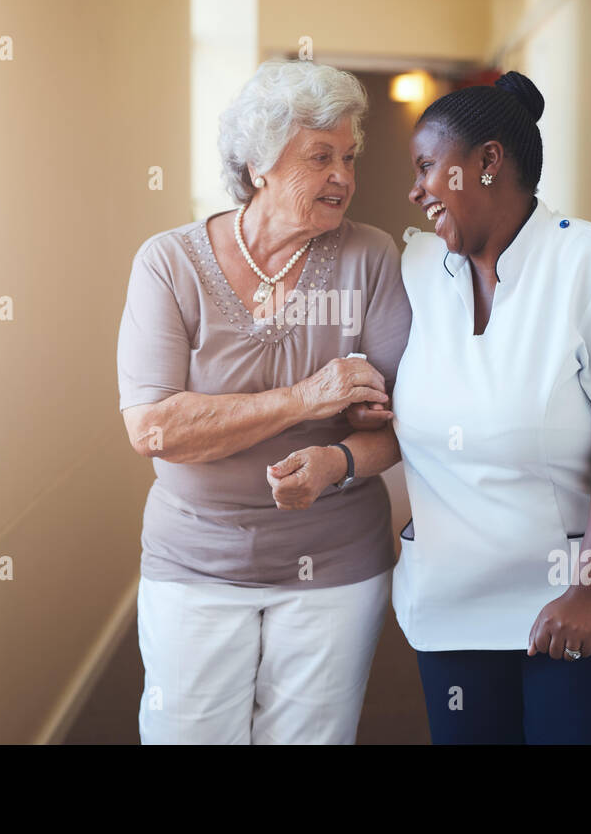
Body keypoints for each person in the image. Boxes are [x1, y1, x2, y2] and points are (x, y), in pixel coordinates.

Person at [306, 71, 591, 743]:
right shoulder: (416, 272)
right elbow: (401, 395)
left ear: (486, 163)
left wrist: (589, 592)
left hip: (582, 606)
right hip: (453, 610)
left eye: (428, 167)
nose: (415, 190)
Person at [116, 59, 412, 744]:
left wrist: (336, 460)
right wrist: (311, 397)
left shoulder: (370, 257)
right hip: (194, 560)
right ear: (258, 166)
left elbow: (403, 425)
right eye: (320, 156)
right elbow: (156, 428)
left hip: (335, 564)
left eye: (349, 156)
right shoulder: (170, 264)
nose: (343, 175)